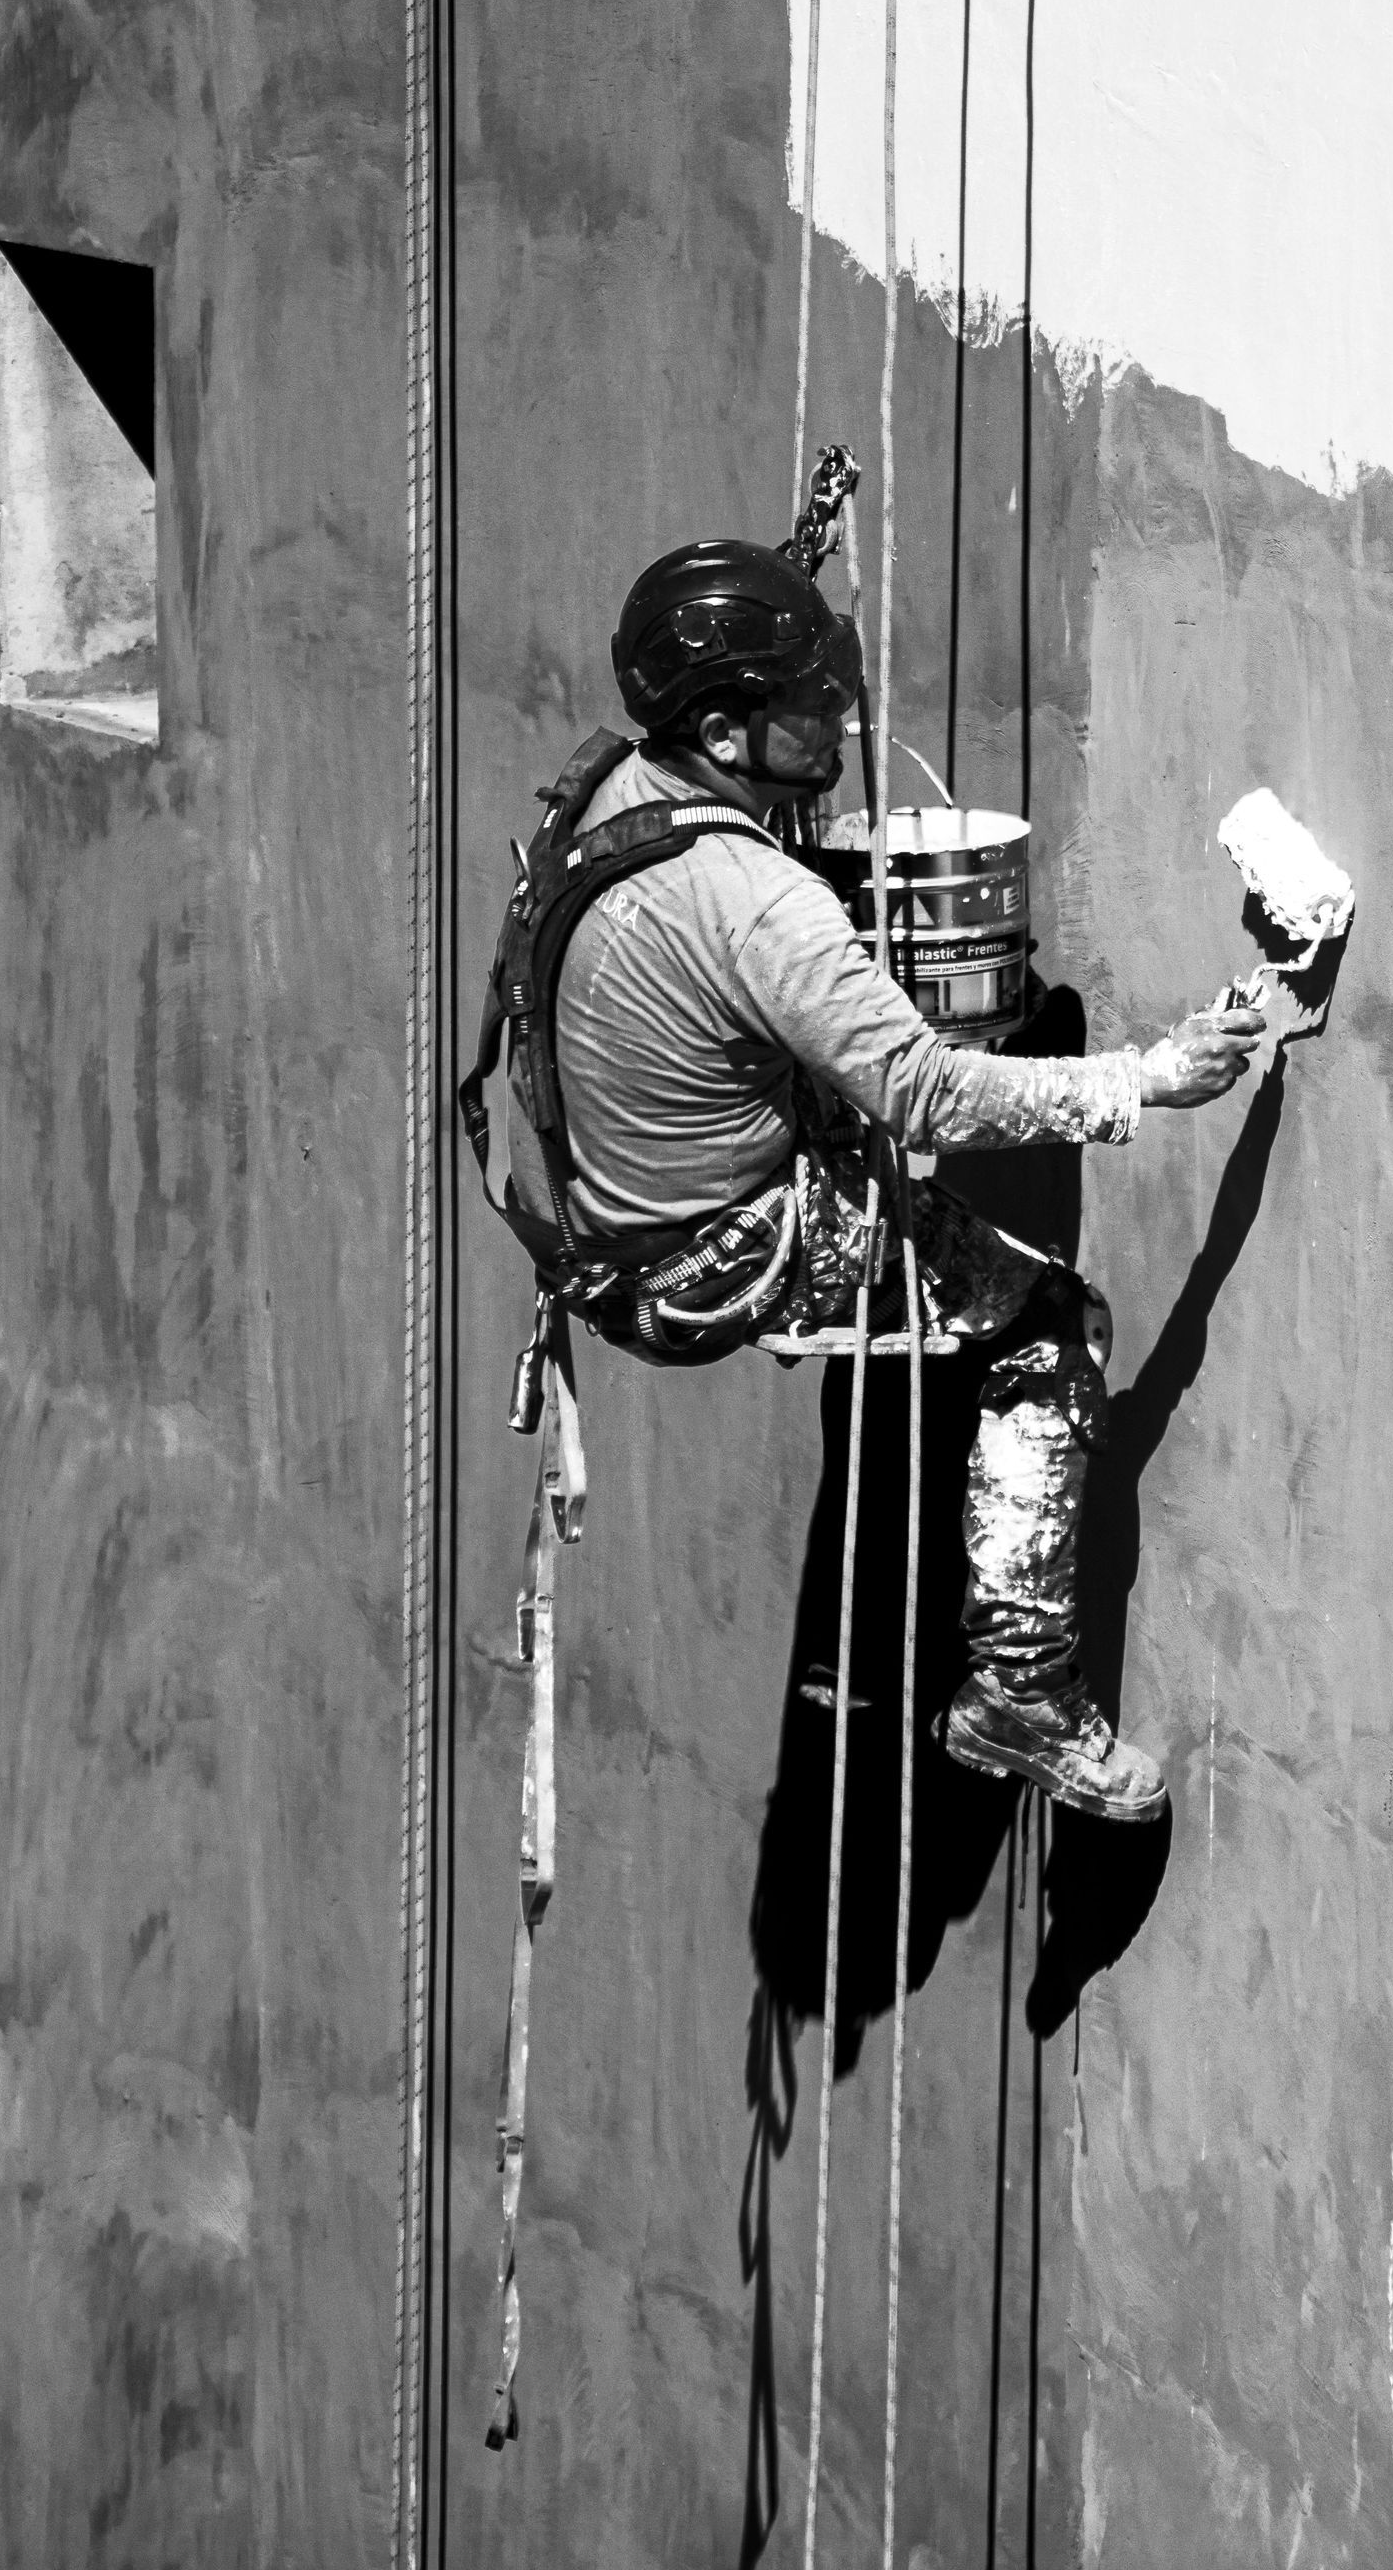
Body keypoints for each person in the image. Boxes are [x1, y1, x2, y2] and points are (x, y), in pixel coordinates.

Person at [467, 524, 1262, 1821]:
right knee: (1054, 1326)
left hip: (602, 1232)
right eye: (805, 701)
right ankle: (1021, 1692)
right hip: (717, 1259)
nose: (837, 719)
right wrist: (1146, 1080)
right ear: (724, 732)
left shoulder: (611, 787)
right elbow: (930, 1092)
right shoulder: (757, 903)